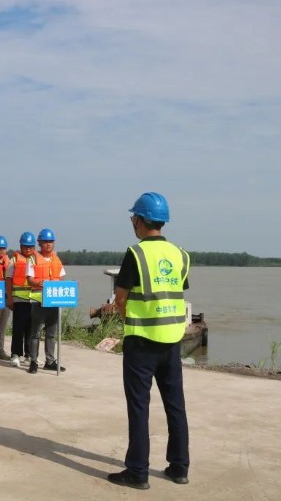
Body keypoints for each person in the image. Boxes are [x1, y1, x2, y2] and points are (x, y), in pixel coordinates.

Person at [105, 192, 191, 490]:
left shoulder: (136, 253)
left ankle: (137, 472)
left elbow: (120, 298)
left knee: (139, 406)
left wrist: (124, 314)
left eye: (133, 217)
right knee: (175, 404)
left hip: (141, 341)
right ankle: (179, 467)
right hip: (172, 340)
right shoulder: (180, 254)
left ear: (140, 220)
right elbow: (175, 290)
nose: (132, 221)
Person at [27, 228, 67, 374]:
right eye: (45, 242)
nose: (48, 244)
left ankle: (50, 361)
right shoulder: (33, 259)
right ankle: (33, 361)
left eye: (50, 241)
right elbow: (29, 279)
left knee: (51, 333)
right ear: (39, 243)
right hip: (39, 300)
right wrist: (39, 283)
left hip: (54, 301)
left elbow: (61, 278)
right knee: (35, 333)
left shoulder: (57, 259)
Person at [5, 232, 36, 368]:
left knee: (32, 329)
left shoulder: (37, 260)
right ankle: (15, 354)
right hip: (19, 300)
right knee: (18, 328)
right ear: (21, 246)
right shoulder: (14, 260)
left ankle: (30, 355)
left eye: (30, 246)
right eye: (25, 246)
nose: (28, 249)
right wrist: (10, 299)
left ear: (34, 247)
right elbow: (8, 279)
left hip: (34, 300)